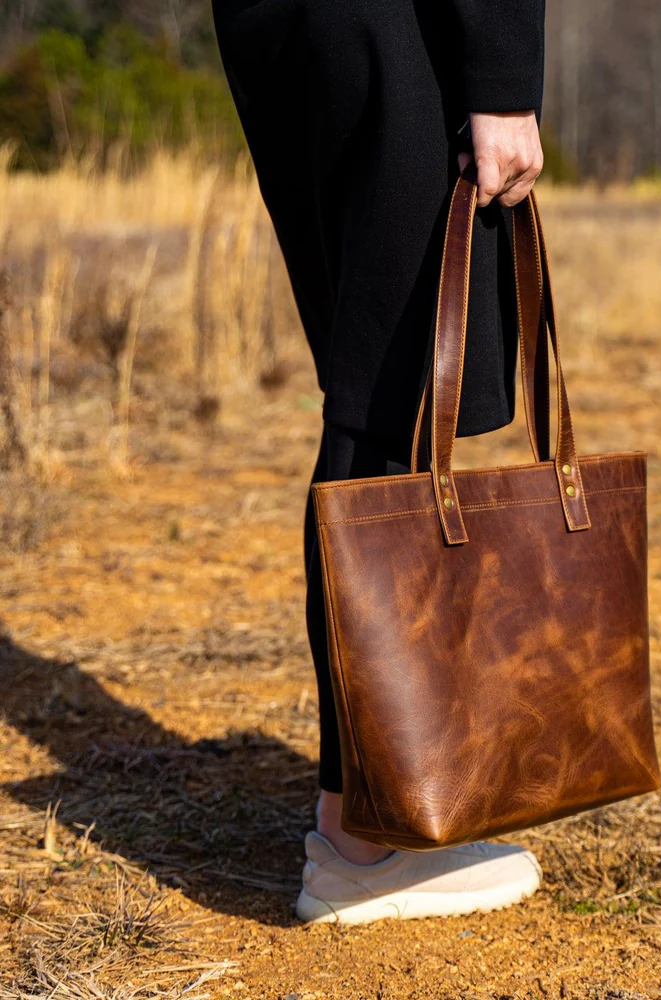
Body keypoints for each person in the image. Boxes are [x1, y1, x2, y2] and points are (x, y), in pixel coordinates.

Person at [212, 0, 547, 923]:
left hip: (285, 26)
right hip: (396, 25)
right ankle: (363, 837)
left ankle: (369, 804)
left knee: (371, 394)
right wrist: (502, 78)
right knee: (388, 408)